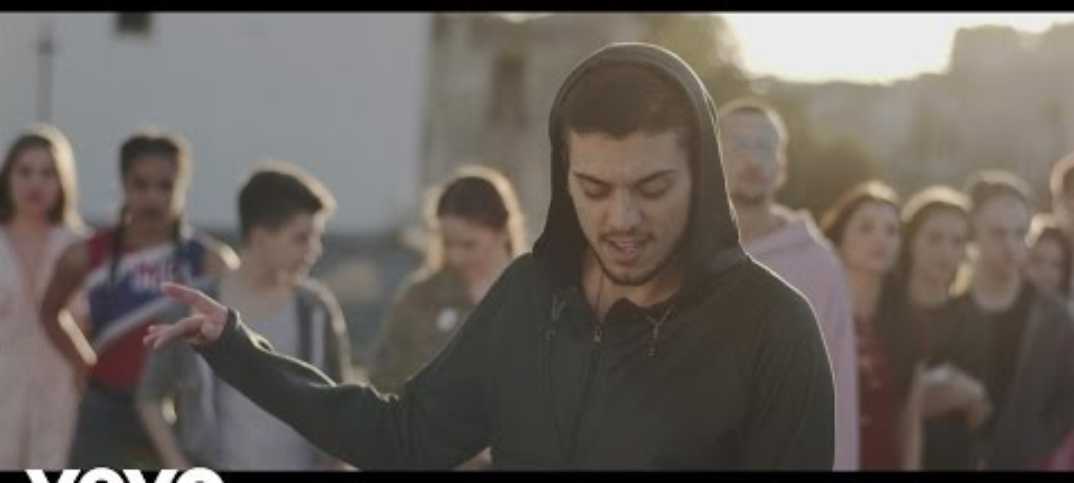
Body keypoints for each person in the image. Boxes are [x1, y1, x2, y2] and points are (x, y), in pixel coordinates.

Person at [145, 43, 834, 470]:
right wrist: (237, 349)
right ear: (564, 179)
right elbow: (402, 438)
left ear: (701, 178)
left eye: (652, 189)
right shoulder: (531, 296)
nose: (621, 219)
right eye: (595, 189)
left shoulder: (773, 330)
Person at [39, 130, 238, 468]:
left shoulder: (210, 261)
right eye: (140, 185)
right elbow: (49, 312)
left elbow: (235, 333)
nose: (152, 197)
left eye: (165, 186)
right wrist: (81, 361)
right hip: (105, 408)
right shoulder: (87, 254)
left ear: (182, 188)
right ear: (124, 185)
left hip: (176, 411)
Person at [137, 162, 353, 470]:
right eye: (301, 238)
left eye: (317, 237)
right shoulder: (196, 308)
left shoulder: (316, 309)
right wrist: (179, 466)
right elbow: (150, 396)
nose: (314, 250)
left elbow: (343, 406)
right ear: (260, 237)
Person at [719, 97, 859, 471]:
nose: (753, 159)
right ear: (712, 159)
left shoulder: (820, 264)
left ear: (782, 166)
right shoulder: (684, 254)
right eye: (738, 145)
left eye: (764, 146)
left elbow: (839, 384)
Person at [368, 166, 525, 470]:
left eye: (469, 244)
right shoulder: (420, 297)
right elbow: (383, 382)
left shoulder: (540, 296)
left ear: (503, 232)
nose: (456, 256)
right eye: (447, 243)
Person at [944, 170, 1074, 469]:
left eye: (1020, 233)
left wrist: (1033, 445)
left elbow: (1067, 399)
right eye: (998, 233)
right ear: (973, 234)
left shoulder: (1055, 317)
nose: (1011, 245)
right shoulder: (949, 309)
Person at [0, 125, 88, 469]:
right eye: (25, 172)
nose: (35, 183)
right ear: (8, 177)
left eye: (48, 173)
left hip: (62, 391)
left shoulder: (81, 247)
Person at [821, 181, 922, 470]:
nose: (881, 239)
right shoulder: (816, 313)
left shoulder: (909, 322)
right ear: (839, 236)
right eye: (866, 228)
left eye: (891, 230)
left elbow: (910, 423)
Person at [889, 186, 991, 470]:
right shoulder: (885, 309)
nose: (946, 252)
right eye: (934, 238)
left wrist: (963, 394)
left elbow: (980, 409)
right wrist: (950, 391)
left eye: (957, 242)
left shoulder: (972, 318)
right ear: (911, 241)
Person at [1022, 213, 1074, 470]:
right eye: (1038, 261)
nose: (1046, 273)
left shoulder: (1067, 323)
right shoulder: (1008, 317)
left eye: (1056, 265)